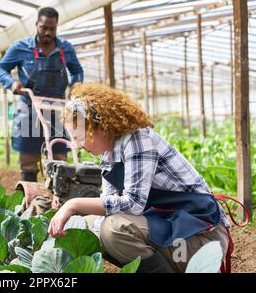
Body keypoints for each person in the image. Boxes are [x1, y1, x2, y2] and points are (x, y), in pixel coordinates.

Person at [48, 83, 230, 273]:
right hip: (168, 225)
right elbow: (108, 204)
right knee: (85, 227)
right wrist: (69, 211)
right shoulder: (108, 154)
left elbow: (133, 204)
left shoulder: (137, 140)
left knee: (114, 230)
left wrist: (73, 204)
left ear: (100, 126)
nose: (77, 145)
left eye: (80, 136)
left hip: (200, 237)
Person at [0, 7, 84, 182]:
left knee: (60, 155)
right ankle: (29, 197)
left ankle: (60, 196)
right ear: (37, 24)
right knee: (28, 159)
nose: (48, 33)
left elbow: (77, 71)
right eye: (44, 28)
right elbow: (0, 68)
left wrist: (76, 87)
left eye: (52, 29)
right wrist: (11, 83)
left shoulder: (65, 49)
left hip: (57, 109)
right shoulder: (20, 48)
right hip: (29, 107)